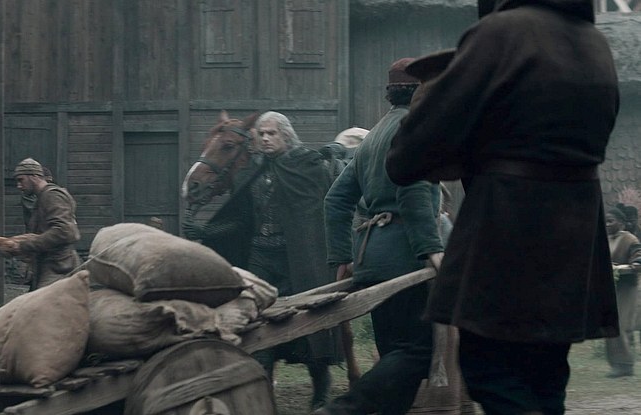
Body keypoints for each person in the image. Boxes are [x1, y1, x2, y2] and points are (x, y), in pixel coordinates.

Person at [385, 0, 621, 413]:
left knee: (493, 372)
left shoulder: (502, 32)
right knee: (545, 379)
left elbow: (410, 155)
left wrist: (430, 97)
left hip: (508, 227)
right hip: (574, 236)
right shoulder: (594, 42)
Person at [183, 111, 341, 410]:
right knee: (257, 320)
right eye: (262, 134)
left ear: (286, 135)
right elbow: (241, 221)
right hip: (260, 256)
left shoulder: (305, 165)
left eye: (272, 133)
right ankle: (263, 391)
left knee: (308, 320)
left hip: (296, 258)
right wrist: (206, 231)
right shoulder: (253, 171)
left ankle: (321, 387)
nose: (266, 138)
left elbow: (317, 211)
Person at [314, 58, 444, 415]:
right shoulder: (414, 129)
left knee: (395, 356)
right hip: (404, 257)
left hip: (372, 257)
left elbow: (335, 200)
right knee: (418, 351)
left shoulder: (374, 135)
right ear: (422, 92)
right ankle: (341, 410)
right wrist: (430, 248)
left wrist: (342, 256)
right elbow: (412, 188)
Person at [6, 158, 81, 290]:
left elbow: (64, 232)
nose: (19, 186)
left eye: (21, 180)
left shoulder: (52, 196)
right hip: (48, 265)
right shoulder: (42, 197)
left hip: (59, 267)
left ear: (34, 176)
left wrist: (24, 245)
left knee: (43, 302)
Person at [604, 206, 641, 378]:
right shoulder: (605, 240)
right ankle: (616, 363)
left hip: (627, 288)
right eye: (606, 221)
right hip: (610, 288)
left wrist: (630, 265)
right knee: (608, 324)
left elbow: (638, 258)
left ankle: (625, 365)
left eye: (611, 221)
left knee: (620, 324)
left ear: (620, 222)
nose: (607, 224)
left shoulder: (630, 239)